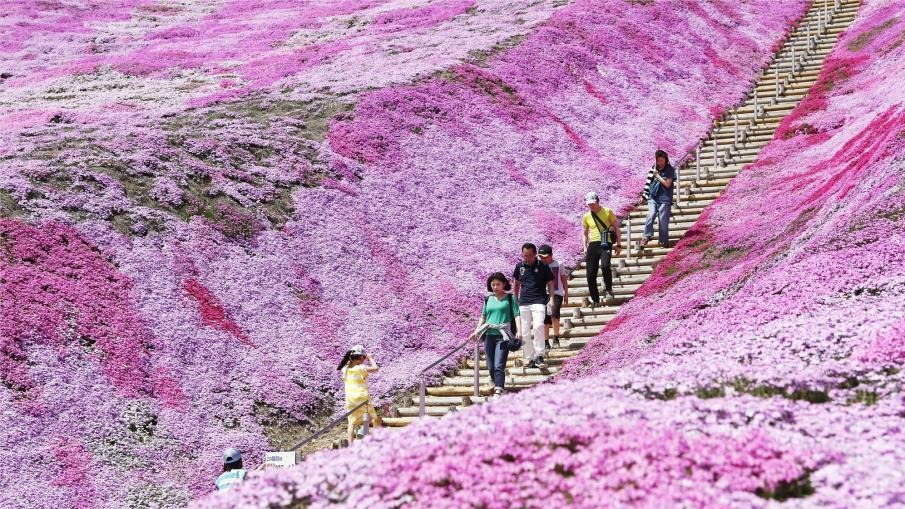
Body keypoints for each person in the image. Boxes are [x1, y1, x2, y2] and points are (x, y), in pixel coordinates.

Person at [468, 272, 522, 397]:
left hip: (503, 336)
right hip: (489, 335)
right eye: (493, 284)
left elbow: (516, 315)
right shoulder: (488, 299)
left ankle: (499, 389)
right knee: (490, 365)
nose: (495, 287)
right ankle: (495, 380)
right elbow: (483, 317)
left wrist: (519, 331)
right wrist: (476, 331)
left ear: (504, 284)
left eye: (498, 284)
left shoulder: (510, 298)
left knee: (499, 364)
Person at [512, 243, 554, 368]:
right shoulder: (519, 266)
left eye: (529, 256)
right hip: (523, 302)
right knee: (524, 331)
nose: (527, 258)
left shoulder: (543, 266)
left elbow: (551, 284)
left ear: (535, 254)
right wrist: (515, 300)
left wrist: (551, 299)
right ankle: (529, 357)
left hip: (539, 301)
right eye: (524, 256)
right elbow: (516, 284)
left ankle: (539, 355)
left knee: (538, 326)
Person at [582, 192, 622, 306]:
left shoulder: (607, 211)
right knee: (590, 273)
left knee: (605, 265)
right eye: (589, 204)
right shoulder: (586, 216)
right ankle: (595, 299)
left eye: (593, 203)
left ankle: (609, 289)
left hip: (606, 242)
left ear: (598, 201)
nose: (591, 206)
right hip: (593, 244)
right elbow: (585, 233)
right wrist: (585, 247)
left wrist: (618, 245)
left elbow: (616, 228)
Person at [337, 345, 380, 444]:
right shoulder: (361, 368)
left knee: (351, 422)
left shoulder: (345, 369)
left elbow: (349, 363)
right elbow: (375, 368)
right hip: (362, 397)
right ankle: (376, 440)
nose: (364, 359)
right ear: (361, 357)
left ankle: (351, 445)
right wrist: (370, 358)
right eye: (364, 357)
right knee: (374, 417)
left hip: (350, 399)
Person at [642, 149, 675, 248]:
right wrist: (644, 196)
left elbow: (668, 184)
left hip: (665, 199)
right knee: (651, 215)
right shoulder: (653, 168)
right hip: (653, 198)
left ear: (665, 159)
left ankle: (663, 240)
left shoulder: (670, 170)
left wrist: (658, 175)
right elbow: (648, 183)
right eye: (658, 160)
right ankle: (646, 235)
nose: (660, 163)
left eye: (661, 160)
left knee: (663, 220)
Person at [539, 244, 568, 350]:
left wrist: (566, 293)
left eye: (545, 256)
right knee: (545, 319)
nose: (543, 259)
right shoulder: (539, 265)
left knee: (554, 315)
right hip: (543, 294)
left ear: (551, 255)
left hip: (557, 293)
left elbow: (563, 278)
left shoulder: (558, 264)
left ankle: (556, 338)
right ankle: (546, 341)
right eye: (541, 257)